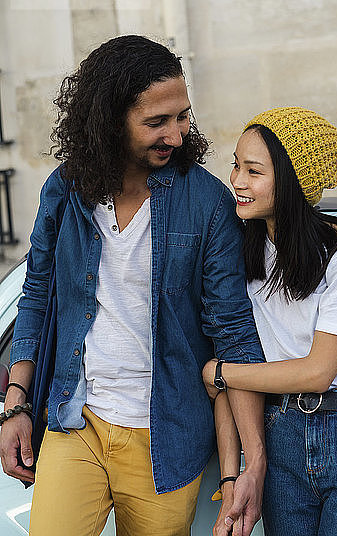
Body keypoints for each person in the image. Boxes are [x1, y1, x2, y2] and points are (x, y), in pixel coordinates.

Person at [0, 35, 267, 536]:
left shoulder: (207, 203)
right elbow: (37, 297)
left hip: (165, 435)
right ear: (110, 121)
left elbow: (234, 335)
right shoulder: (66, 189)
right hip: (75, 419)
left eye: (183, 116)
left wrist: (248, 465)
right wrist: (17, 401)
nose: (178, 134)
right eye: (157, 122)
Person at [203, 107, 337, 536]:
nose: (236, 180)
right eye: (235, 165)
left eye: (254, 171)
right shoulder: (242, 249)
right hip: (279, 431)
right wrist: (234, 471)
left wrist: (221, 373)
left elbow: (317, 372)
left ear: (292, 180)